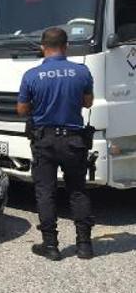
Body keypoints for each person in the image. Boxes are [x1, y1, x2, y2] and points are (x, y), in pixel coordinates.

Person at [17, 27, 95, 261]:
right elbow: (88, 102)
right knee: (78, 192)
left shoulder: (31, 75)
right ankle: (84, 246)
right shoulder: (81, 72)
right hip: (74, 141)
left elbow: (21, 110)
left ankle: (51, 246)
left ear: (43, 47)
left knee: (45, 193)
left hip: (45, 141)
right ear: (66, 46)